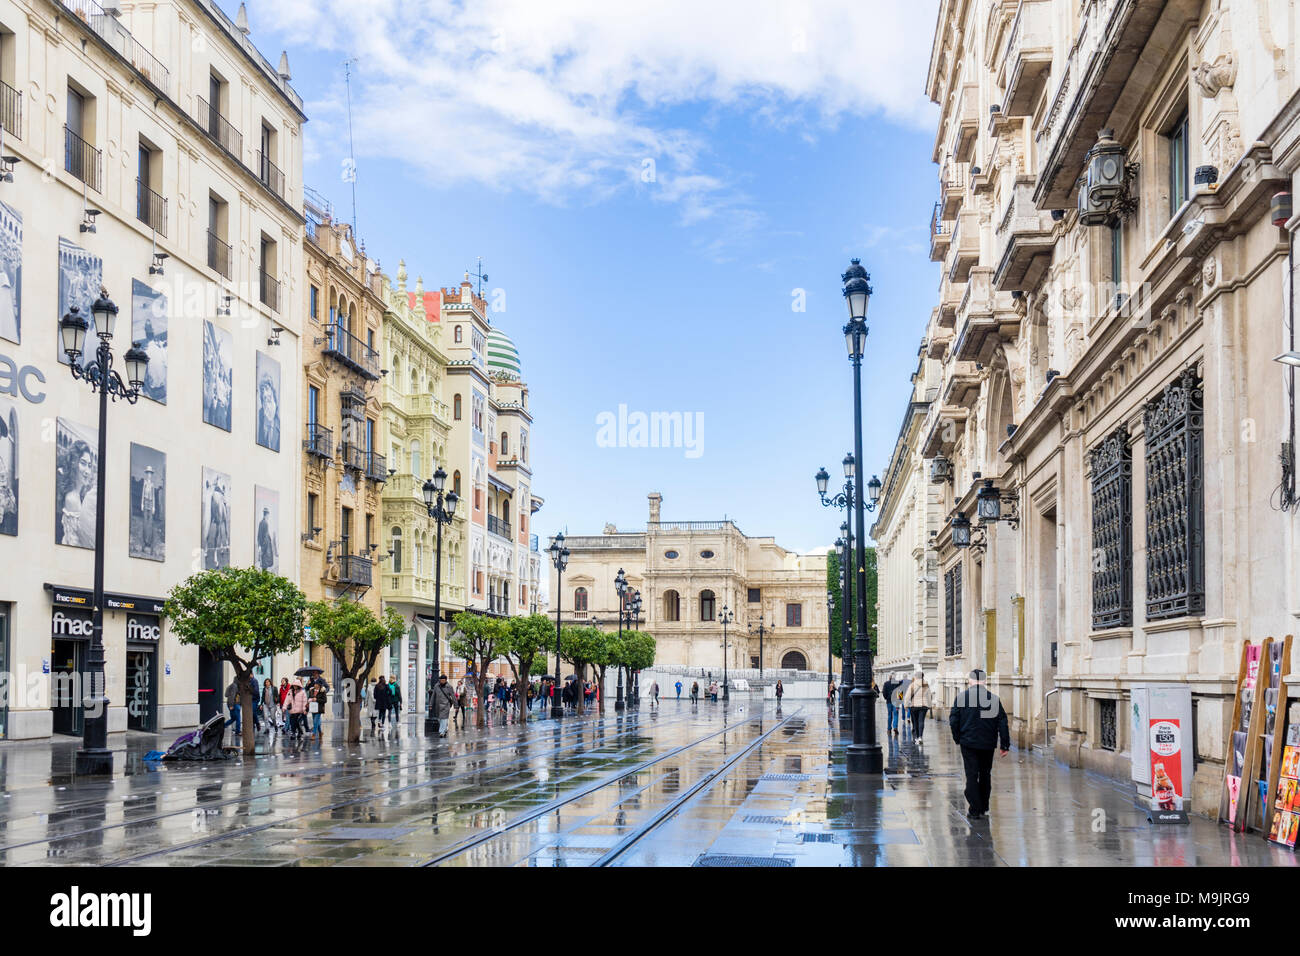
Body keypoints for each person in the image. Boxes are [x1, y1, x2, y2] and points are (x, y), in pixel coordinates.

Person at [949, 669, 1010, 820]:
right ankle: (983, 806)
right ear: (984, 681)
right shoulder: (993, 699)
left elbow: (953, 720)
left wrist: (958, 738)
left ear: (970, 681)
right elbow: (1002, 722)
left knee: (971, 774)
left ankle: (975, 808)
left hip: (968, 742)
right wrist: (1004, 744)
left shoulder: (962, 697)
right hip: (987, 743)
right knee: (985, 774)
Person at [903, 671, 932, 742]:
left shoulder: (912, 685)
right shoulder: (926, 684)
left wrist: (906, 705)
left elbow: (907, 696)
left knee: (915, 722)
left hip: (914, 706)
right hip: (924, 705)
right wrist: (930, 705)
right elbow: (929, 695)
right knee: (921, 721)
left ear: (916, 676)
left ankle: (917, 737)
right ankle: (920, 737)